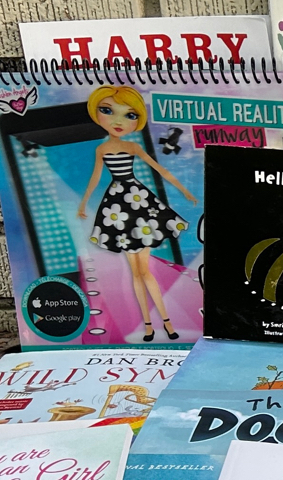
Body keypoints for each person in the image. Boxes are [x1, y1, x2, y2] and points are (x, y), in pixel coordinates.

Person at [75, 85, 196, 341]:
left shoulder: (132, 147)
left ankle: (166, 323)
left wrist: (184, 190)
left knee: (144, 271)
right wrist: (84, 203)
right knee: (137, 273)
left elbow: (159, 170)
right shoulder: (101, 150)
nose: (118, 121)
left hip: (138, 202)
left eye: (130, 115)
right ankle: (150, 326)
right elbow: (95, 177)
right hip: (118, 208)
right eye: (108, 111)